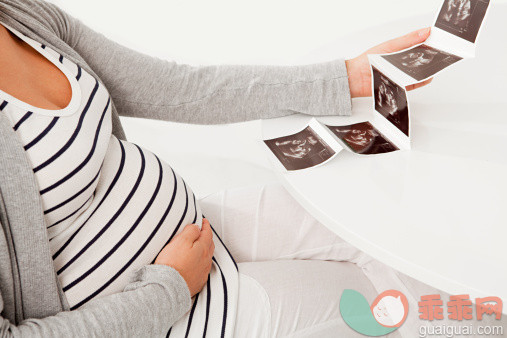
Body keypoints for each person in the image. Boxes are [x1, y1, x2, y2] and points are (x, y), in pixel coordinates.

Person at [0, 0, 443, 336]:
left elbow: (177, 89)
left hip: (191, 231)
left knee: (370, 228)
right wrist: (169, 287)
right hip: (160, 312)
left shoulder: (20, 16)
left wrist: (348, 77)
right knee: (373, 302)